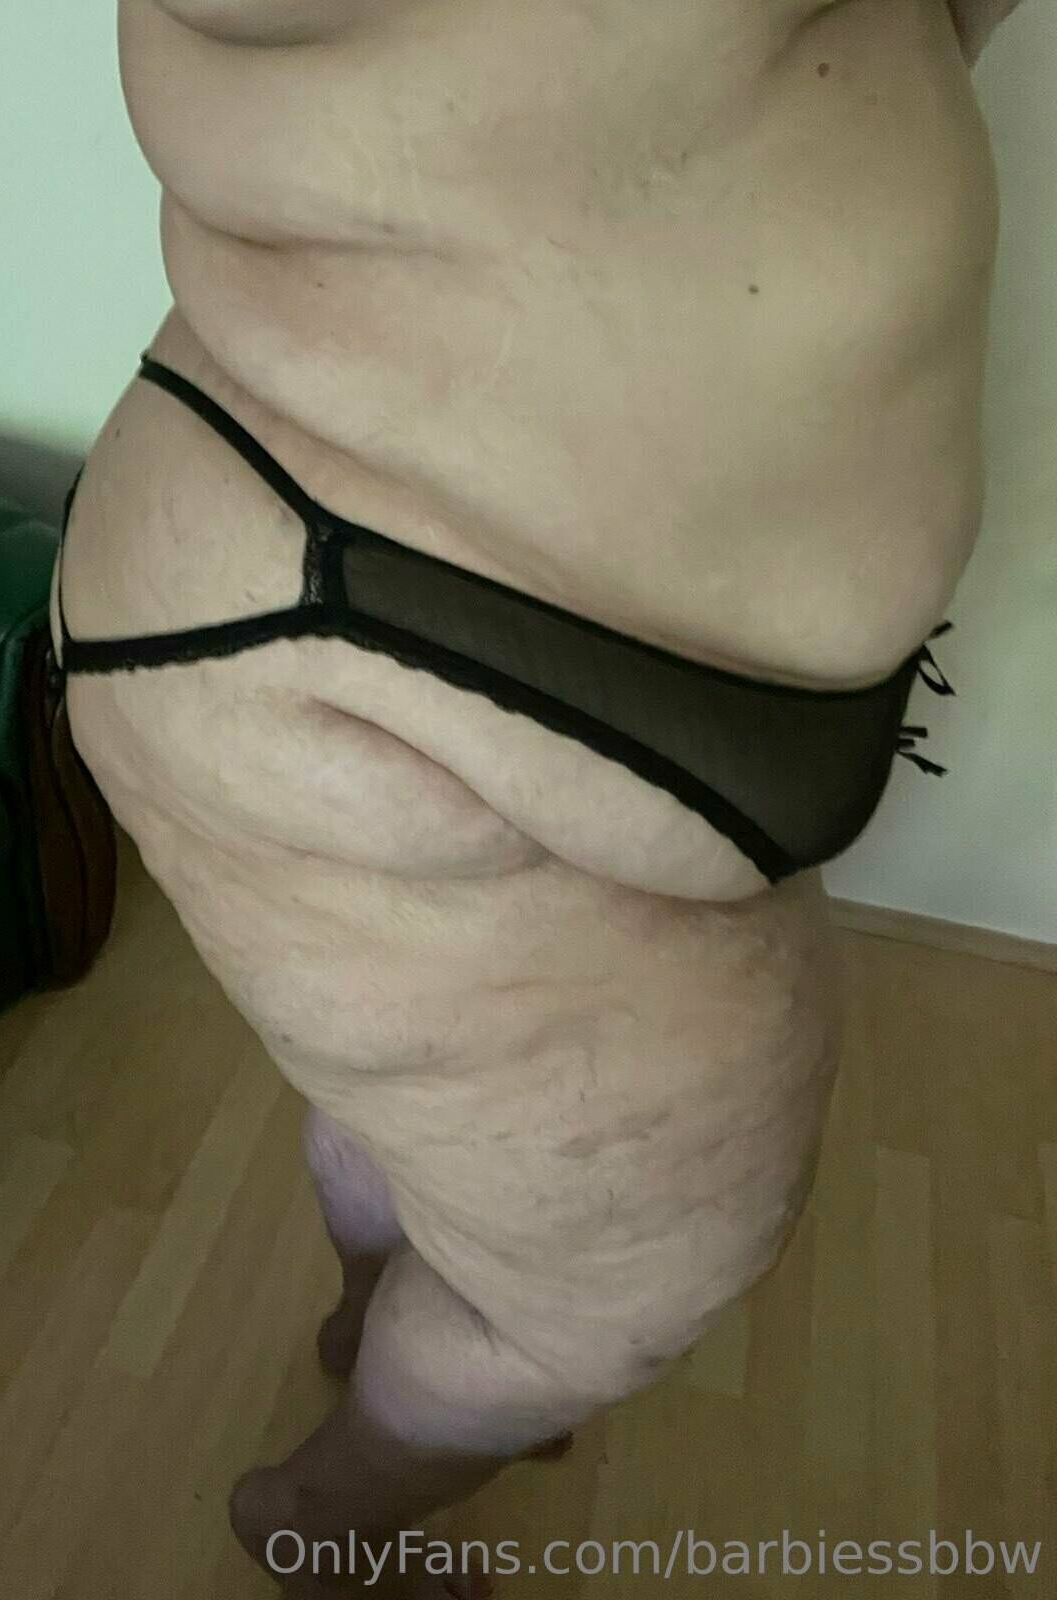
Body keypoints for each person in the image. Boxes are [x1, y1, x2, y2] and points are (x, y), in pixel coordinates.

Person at [54, 2, 1024, 1593]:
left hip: (355, 562)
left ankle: (411, 1330)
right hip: (374, 651)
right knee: (606, 1292)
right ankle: (331, 1517)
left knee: (455, 1141)